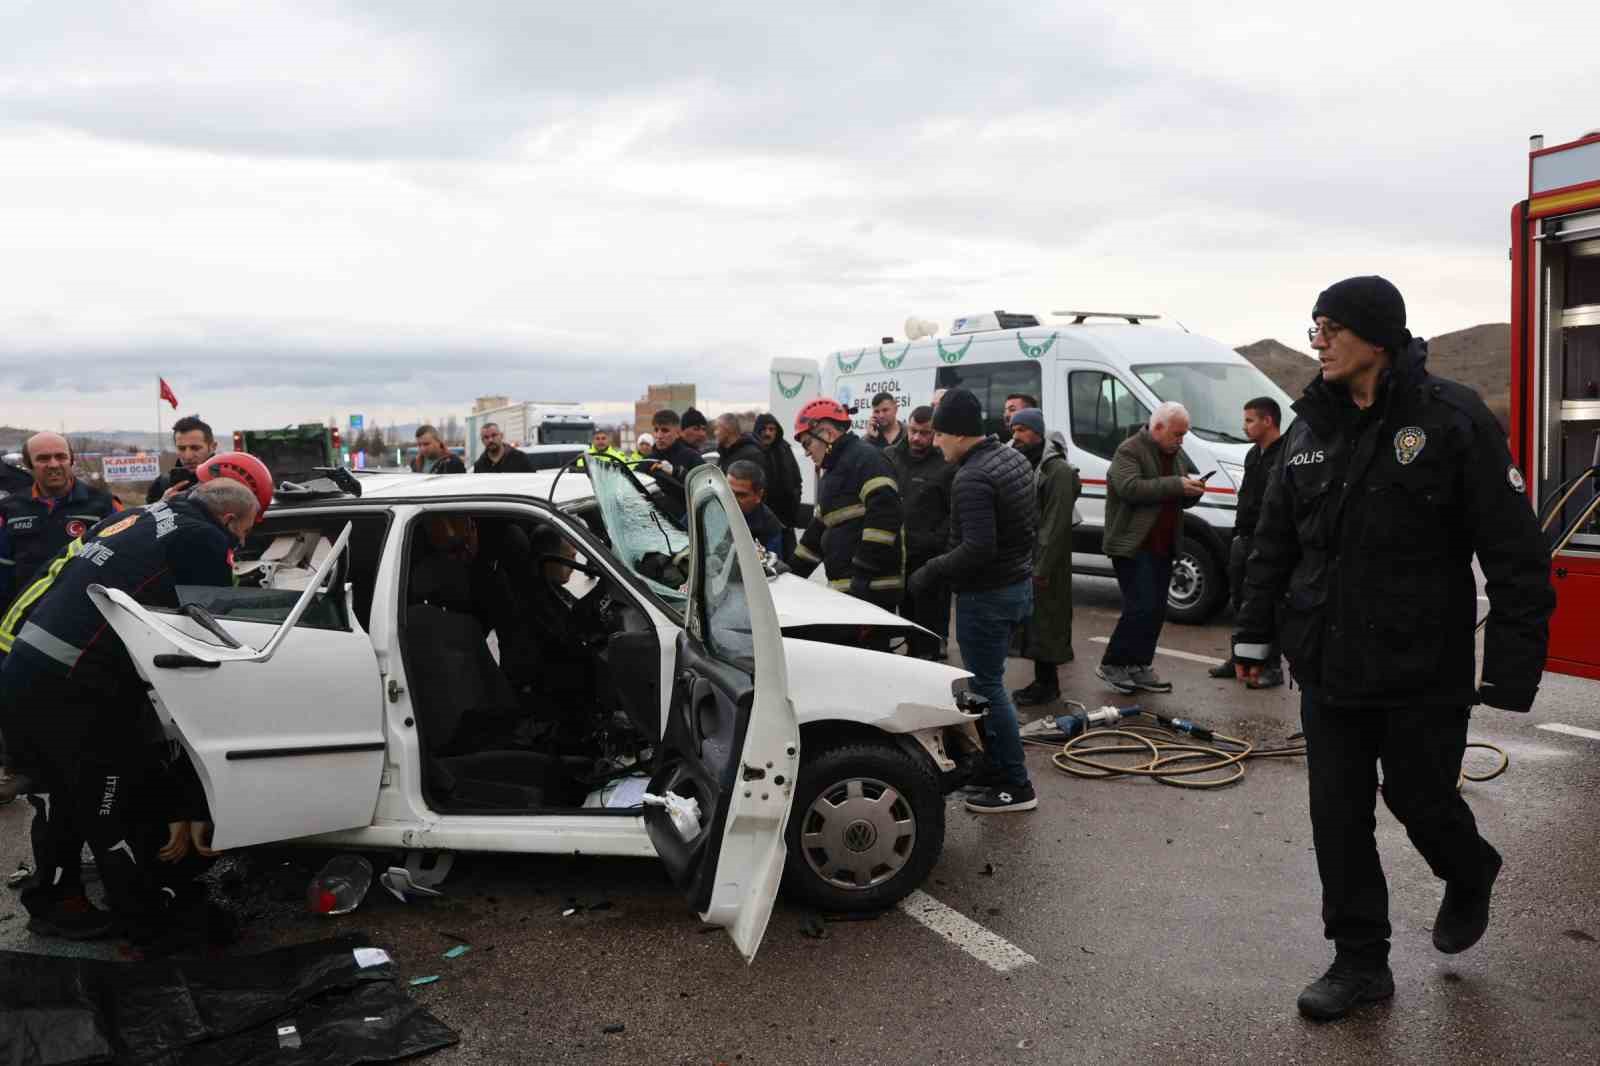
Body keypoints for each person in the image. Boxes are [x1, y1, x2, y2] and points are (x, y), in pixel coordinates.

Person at [1233, 276, 1554, 1022]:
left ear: (1377, 336)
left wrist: (1510, 671)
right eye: (1313, 328)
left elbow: (1514, 553)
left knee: (1420, 798)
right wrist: (1253, 633)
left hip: (1422, 667)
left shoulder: (1451, 420)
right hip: (1329, 666)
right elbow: (1275, 544)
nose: (1318, 342)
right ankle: (1359, 962)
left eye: (1330, 328)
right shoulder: (1309, 431)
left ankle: (1469, 868)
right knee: (1336, 815)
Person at [0, 455, 273, 944]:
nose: (242, 542)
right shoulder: (206, 537)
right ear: (230, 518)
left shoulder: (149, 514)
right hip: (76, 684)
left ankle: (55, 902)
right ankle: (142, 920)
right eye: (246, 531)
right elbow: (207, 622)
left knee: (60, 796)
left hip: (26, 667)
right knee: (109, 797)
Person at [907, 388, 1038, 813]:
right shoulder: (1011, 457)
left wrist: (932, 571)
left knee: (987, 689)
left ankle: (1015, 785)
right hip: (1015, 586)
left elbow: (978, 548)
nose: (936, 442)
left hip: (988, 595)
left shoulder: (972, 477)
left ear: (958, 434)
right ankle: (993, 768)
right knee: (990, 684)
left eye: (939, 434)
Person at [0, 433, 122, 804]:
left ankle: (91, 765)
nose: (53, 464)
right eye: (43, 459)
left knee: (80, 700)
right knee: (12, 694)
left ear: (71, 459)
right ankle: (19, 767)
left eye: (59, 456)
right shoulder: (10, 509)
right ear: (29, 464)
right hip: (22, 623)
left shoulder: (102, 504)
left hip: (85, 625)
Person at [1097, 402, 1206, 695]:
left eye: (1184, 434)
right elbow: (1130, 488)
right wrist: (1177, 485)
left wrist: (1193, 490)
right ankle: (1113, 664)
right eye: (1177, 434)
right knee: (1140, 606)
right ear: (1157, 428)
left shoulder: (1176, 451)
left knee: (1156, 610)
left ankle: (1139, 665)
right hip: (1132, 545)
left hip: (1164, 544)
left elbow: (1179, 491)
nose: (1181, 440)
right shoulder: (1129, 451)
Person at [789, 398, 905, 611]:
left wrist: (862, 574)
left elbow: (884, 518)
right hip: (850, 591)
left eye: (807, 443)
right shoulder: (833, 473)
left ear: (827, 434)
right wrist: (789, 575)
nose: (806, 452)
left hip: (872, 591)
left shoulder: (866, 459)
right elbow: (817, 532)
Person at [1207, 397, 1287, 688]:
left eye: (1250, 420)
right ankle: (1239, 656)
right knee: (1239, 599)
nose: (1245, 426)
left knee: (1267, 604)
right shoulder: (1253, 454)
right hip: (1243, 537)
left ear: (1268, 420)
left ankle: (1271, 666)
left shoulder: (1285, 454)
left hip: (1268, 542)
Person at [1007, 409, 1082, 706]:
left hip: (1048, 559)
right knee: (1033, 622)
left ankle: (1047, 685)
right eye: (1014, 430)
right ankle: (1042, 681)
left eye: (1023, 429)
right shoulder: (1022, 461)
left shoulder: (1058, 471)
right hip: (1028, 554)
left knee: (1047, 622)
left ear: (1038, 432)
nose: (1016, 436)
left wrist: (1041, 566)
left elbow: (1055, 523)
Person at [889, 405, 954, 657]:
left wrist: (936, 541)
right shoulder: (890, 456)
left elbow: (953, 512)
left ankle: (929, 656)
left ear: (935, 433)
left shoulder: (946, 464)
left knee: (929, 620)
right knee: (905, 617)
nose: (917, 438)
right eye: (913, 431)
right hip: (897, 556)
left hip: (929, 559)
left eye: (924, 433)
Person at [145, 415, 218, 502]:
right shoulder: (163, 483)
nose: (188, 456)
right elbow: (145, 514)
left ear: (212, 447)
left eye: (195, 448)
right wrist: (163, 504)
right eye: (181, 449)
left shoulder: (229, 480)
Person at [726, 460, 787, 557]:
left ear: (758, 495)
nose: (732, 500)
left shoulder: (769, 528)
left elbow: (770, 567)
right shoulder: (713, 507)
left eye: (741, 495)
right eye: (729, 492)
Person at [753, 413, 803, 530]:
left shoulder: (785, 449)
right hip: (763, 521)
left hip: (786, 519)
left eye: (771, 429)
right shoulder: (752, 451)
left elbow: (797, 479)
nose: (767, 433)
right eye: (764, 429)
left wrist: (795, 501)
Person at [714, 414, 774, 483]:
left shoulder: (752, 455)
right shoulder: (725, 453)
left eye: (717, 428)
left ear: (728, 429)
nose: (715, 433)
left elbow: (759, 486)